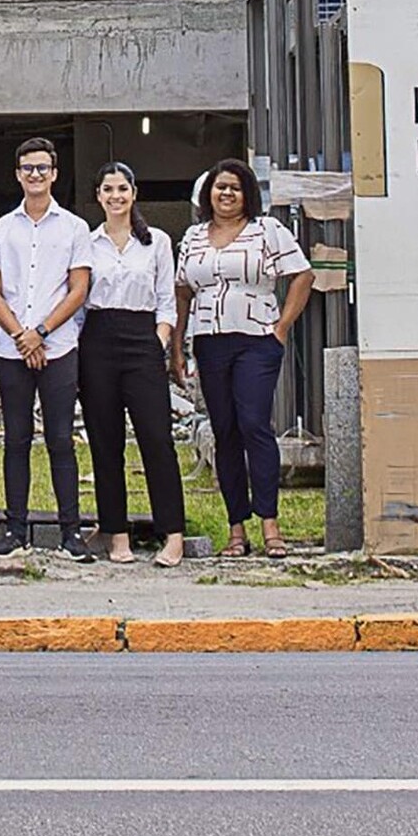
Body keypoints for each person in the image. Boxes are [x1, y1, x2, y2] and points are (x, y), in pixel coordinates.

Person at [171, 158, 313, 559]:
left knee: (254, 424)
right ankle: (237, 529)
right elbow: (183, 292)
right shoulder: (194, 236)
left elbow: (302, 275)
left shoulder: (266, 230)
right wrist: (177, 346)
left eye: (234, 187)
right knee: (225, 430)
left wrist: (281, 327)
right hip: (209, 343)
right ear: (208, 194)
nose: (227, 194)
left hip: (256, 340)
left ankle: (270, 523)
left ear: (246, 193)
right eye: (220, 188)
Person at [0, 137, 95, 562]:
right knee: (16, 439)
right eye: (28, 168)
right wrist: (20, 336)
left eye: (42, 168)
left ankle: (71, 532)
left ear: (54, 173)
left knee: (61, 440)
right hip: (12, 348)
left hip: (59, 346)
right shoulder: (1, 228)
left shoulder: (74, 227)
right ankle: (15, 529)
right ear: (17, 174)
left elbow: (78, 287)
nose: (35, 175)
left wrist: (42, 332)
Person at [78, 162, 186, 567]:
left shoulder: (156, 241)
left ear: (134, 193)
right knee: (106, 444)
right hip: (98, 341)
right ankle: (116, 534)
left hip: (143, 339)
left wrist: (157, 341)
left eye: (123, 188)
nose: (116, 196)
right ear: (99, 196)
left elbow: (166, 299)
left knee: (157, 440)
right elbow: (79, 298)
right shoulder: (87, 243)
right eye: (108, 189)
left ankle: (172, 535)